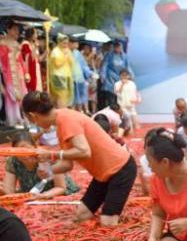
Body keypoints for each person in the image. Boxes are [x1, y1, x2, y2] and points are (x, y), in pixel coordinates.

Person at [22, 91, 137, 226]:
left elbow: (84, 151)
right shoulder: (61, 122)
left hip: (121, 168)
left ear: (33, 115)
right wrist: (48, 170)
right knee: (81, 216)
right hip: (103, 174)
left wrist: (51, 154)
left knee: (108, 223)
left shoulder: (66, 119)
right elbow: (67, 165)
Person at [2, 132, 79, 199]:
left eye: (26, 149)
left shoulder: (45, 156)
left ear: (34, 147)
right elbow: (9, 190)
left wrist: (43, 196)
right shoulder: (13, 161)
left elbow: (60, 187)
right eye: (18, 151)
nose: (23, 155)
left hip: (54, 191)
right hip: (31, 193)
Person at [0, 21, 28, 126]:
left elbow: (21, 60)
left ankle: (22, 118)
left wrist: (26, 73)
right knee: (12, 97)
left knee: (23, 95)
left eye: (18, 30)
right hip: (9, 75)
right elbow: (2, 61)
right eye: (15, 29)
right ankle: (13, 120)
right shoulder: (2, 44)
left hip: (19, 74)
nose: (17, 32)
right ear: (8, 29)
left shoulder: (16, 44)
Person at [99, 40, 132, 109]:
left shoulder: (125, 56)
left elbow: (128, 67)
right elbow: (104, 66)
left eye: (119, 47)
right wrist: (102, 75)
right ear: (114, 47)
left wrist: (130, 76)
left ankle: (120, 111)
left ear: (121, 47)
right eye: (116, 47)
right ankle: (112, 110)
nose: (117, 48)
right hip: (110, 78)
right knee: (111, 97)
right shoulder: (109, 55)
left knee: (120, 97)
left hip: (121, 78)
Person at [70, 36, 92, 114]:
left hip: (79, 77)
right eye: (75, 44)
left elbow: (84, 65)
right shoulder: (66, 52)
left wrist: (89, 73)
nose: (77, 45)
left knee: (80, 97)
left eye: (77, 44)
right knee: (72, 99)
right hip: (70, 78)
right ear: (70, 43)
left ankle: (81, 111)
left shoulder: (77, 53)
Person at [114, 69, 140, 134]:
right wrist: (122, 84)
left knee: (135, 121)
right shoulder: (117, 84)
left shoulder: (132, 83)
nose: (124, 77)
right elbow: (117, 92)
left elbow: (135, 92)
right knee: (127, 119)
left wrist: (137, 99)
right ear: (120, 76)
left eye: (126, 75)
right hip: (122, 105)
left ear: (128, 76)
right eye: (122, 75)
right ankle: (130, 132)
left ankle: (136, 133)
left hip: (131, 104)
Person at [20, 27, 42, 94]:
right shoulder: (25, 44)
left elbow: (38, 59)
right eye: (35, 33)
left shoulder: (33, 44)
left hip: (36, 67)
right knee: (31, 89)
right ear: (31, 34)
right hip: (30, 69)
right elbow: (30, 59)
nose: (36, 35)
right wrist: (35, 47)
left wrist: (45, 53)